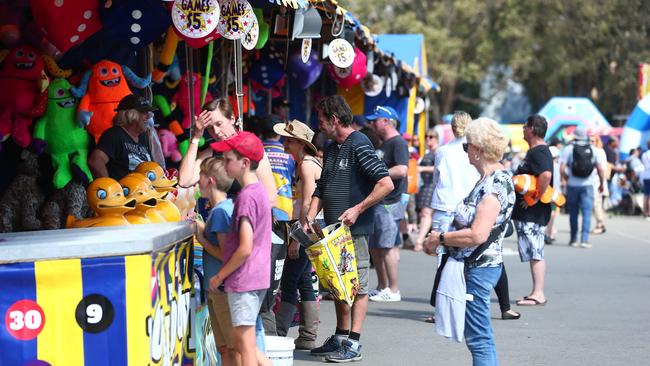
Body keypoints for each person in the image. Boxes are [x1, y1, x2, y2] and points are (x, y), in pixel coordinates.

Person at [305, 95, 393, 362]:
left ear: (334, 120)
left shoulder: (359, 144)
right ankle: (341, 336)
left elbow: (385, 183)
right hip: (333, 232)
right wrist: (309, 216)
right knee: (339, 285)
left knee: (358, 287)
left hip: (355, 231)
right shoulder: (332, 148)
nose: (319, 125)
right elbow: (321, 187)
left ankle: (353, 343)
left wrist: (358, 209)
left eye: (322, 120)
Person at [424, 117, 515, 366]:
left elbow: (478, 234)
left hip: (479, 268)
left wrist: (440, 238)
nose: (465, 151)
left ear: (478, 149)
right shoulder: (491, 180)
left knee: (479, 339)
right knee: (478, 337)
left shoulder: (494, 185)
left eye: (467, 146)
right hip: (478, 265)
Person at [209, 131, 272, 366]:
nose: (224, 164)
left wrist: (220, 275)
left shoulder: (246, 197)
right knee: (247, 342)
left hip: (244, 279)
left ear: (244, 163)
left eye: (228, 160)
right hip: (257, 276)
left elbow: (245, 247)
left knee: (244, 345)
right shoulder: (259, 192)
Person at [273, 119, 322, 350]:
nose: (285, 143)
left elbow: (307, 204)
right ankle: (308, 336)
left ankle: (279, 333)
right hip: (309, 228)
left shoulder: (305, 165)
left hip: (304, 228)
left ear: (299, 143)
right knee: (303, 281)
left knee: (289, 280)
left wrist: (296, 237)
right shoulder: (308, 162)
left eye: (288, 140)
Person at [177, 98, 277, 207]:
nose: (216, 131)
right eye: (210, 128)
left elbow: (270, 198)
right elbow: (184, 181)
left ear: (232, 119)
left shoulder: (251, 147)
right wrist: (196, 137)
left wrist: (243, 217)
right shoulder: (212, 151)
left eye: (219, 124)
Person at [194, 157, 239, 366]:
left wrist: (201, 239)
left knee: (232, 348)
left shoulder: (220, 211)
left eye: (200, 176)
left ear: (210, 180)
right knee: (224, 348)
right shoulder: (224, 207)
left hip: (222, 288)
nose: (197, 181)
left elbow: (225, 254)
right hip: (218, 288)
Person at [365, 105, 409, 302]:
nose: (372, 123)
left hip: (389, 202)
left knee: (387, 246)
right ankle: (382, 286)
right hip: (379, 201)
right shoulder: (384, 144)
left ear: (386, 121)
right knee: (375, 246)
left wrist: (379, 173)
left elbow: (402, 170)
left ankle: (393, 288)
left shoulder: (397, 143)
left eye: (375, 120)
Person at [511, 115, 553, 306]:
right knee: (533, 249)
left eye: (526, 126)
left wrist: (535, 197)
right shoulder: (536, 151)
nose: (523, 128)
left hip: (533, 213)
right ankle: (536, 291)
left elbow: (546, 174)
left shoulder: (539, 152)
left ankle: (538, 293)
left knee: (535, 250)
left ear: (533, 130)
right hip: (529, 212)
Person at [259, 114, 295, 336]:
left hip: (262, 215)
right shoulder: (289, 155)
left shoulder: (256, 153)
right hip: (284, 216)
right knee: (276, 274)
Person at [88, 94, 155, 180]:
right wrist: (112, 189)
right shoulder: (114, 134)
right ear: (131, 114)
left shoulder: (142, 138)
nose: (149, 116)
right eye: (144, 112)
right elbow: (95, 162)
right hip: (126, 192)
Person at [560, 126, 605, 248]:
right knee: (586, 212)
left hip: (572, 185)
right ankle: (584, 240)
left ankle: (573, 239)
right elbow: (600, 169)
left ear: (575, 136)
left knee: (573, 212)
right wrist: (601, 184)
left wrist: (565, 178)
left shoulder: (568, 149)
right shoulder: (593, 149)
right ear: (585, 136)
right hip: (588, 185)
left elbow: (562, 168)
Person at [414, 128, 439, 251]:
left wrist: (422, 169)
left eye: (431, 137)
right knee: (425, 213)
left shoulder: (438, 152)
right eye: (426, 137)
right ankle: (428, 242)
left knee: (426, 213)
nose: (428, 139)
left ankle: (419, 241)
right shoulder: (428, 152)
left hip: (432, 184)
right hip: (425, 184)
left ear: (437, 139)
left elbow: (439, 168)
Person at [590, 135, 609, 234]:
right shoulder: (593, 151)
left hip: (597, 181)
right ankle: (600, 222)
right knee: (596, 203)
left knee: (596, 203)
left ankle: (600, 224)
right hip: (593, 181)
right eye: (590, 141)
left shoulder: (599, 152)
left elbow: (602, 168)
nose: (591, 143)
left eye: (593, 141)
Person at [642, 140, 650, 219]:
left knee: (646, 195)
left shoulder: (644, 154)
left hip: (645, 175)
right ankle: (649, 212)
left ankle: (645, 211)